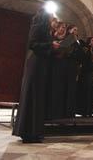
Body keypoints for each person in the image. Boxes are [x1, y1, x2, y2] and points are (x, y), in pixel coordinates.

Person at [13, 9, 59, 143]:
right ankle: (27, 132)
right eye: (51, 16)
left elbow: (46, 48)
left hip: (42, 65)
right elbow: (32, 44)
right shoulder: (37, 27)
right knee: (32, 96)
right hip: (35, 65)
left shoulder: (47, 30)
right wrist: (50, 44)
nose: (53, 18)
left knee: (38, 98)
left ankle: (35, 131)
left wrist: (55, 48)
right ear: (46, 16)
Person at [76, 37, 93, 117]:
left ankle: (90, 111)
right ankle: (84, 111)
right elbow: (82, 59)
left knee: (91, 92)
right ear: (89, 42)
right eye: (92, 40)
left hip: (92, 73)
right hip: (85, 73)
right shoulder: (86, 49)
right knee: (85, 92)